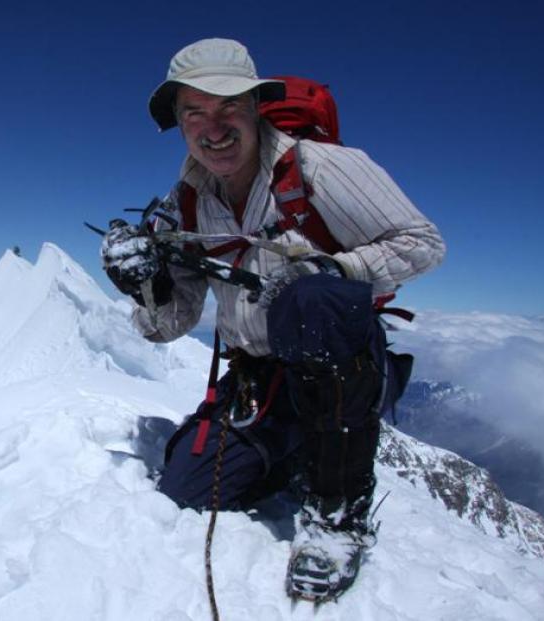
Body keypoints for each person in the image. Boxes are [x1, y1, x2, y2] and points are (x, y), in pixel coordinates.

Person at [101, 38, 445, 601]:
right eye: (194, 113)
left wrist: (336, 270)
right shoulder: (187, 200)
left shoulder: (322, 168)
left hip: (339, 360)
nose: (212, 128)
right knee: (189, 487)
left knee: (311, 300)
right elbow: (172, 323)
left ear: (256, 107)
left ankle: (337, 517)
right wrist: (145, 283)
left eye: (227, 108)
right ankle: (296, 450)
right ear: (179, 123)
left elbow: (423, 243)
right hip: (261, 375)